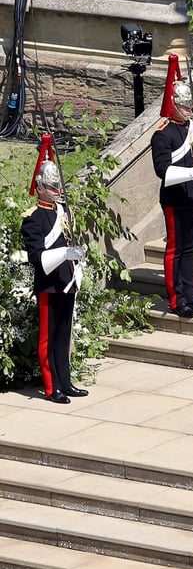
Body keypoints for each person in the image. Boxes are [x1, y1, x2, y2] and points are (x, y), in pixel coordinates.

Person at [21, 134, 88, 404]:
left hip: (66, 280)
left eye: (57, 187)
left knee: (64, 335)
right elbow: (37, 257)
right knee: (49, 338)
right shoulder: (33, 219)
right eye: (51, 187)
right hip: (48, 283)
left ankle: (66, 380)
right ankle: (52, 387)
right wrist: (64, 253)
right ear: (40, 188)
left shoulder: (64, 212)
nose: (56, 191)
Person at [150, 54, 193, 320]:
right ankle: (177, 298)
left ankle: (191, 293)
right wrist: (191, 173)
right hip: (175, 198)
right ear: (173, 104)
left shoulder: (192, 127)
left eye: (190, 106)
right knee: (176, 248)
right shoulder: (162, 133)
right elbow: (162, 170)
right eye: (184, 105)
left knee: (191, 248)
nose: (189, 110)